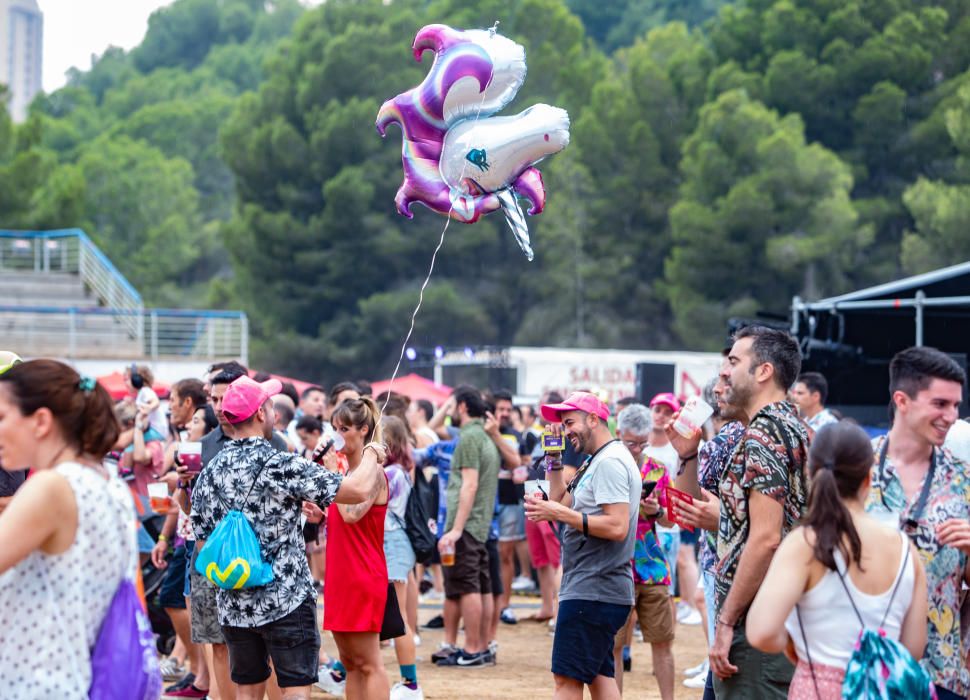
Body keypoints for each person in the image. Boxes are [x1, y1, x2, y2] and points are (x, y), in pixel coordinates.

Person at [191, 376, 388, 700]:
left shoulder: (210, 470)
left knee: (247, 691)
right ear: (259, 415)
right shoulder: (280, 464)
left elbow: (202, 542)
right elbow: (356, 491)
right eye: (269, 406)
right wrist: (371, 455)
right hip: (286, 597)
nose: (274, 413)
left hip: (234, 600)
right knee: (295, 688)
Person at [669, 325, 810, 699]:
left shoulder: (765, 435)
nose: (724, 372)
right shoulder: (789, 428)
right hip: (775, 617)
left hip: (756, 624)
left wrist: (727, 621)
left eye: (733, 361)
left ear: (764, 371)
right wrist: (687, 455)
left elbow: (765, 539)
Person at [747, 422, 928, 699]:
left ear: (810, 473)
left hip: (818, 688)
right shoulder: (906, 549)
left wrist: (795, 646)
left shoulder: (805, 543)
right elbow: (914, 647)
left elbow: (762, 632)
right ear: (868, 479)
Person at [0, 359, 140, 696]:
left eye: (2, 417)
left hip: (36, 684)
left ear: (41, 421)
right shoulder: (107, 482)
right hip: (75, 679)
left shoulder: (52, 487)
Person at [867, 346, 970, 700]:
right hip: (861, 668)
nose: (952, 416)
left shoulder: (964, 481)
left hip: (941, 673)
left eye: (956, 406)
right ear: (902, 400)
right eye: (940, 404)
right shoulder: (853, 470)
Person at [525, 391, 639, 700]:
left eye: (570, 422)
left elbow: (617, 526)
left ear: (594, 419)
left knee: (566, 680)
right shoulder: (598, 460)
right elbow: (562, 499)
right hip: (597, 589)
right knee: (600, 678)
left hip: (594, 590)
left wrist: (557, 512)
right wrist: (553, 459)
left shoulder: (610, 463)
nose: (565, 430)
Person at [674, 373, 747, 693]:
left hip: (725, 556)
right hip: (726, 552)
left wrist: (691, 454)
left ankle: (712, 663)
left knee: (725, 643)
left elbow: (688, 506)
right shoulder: (739, 435)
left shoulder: (721, 441)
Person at [322, 397, 392, 700]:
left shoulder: (371, 473)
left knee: (369, 663)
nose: (338, 435)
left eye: (345, 428)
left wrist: (331, 476)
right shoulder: (349, 475)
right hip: (340, 575)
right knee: (350, 663)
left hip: (362, 574)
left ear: (364, 430)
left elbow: (352, 513)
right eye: (335, 427)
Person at [613, 403, 675, 700]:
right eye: (630, 443)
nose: (637, 449)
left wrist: (657, 509)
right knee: (613, 645)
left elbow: (670, 519)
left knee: (662, 641)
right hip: (615, 565)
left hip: (651, 565)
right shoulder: (608, 465)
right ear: (617, 434)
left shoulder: (658, 469)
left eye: (642, 443)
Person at [435, 386, 501, 668]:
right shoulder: (484, 437)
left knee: (468, 586)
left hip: (468, 525)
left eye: (450, 404)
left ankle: (473, 648)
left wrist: (456, 529)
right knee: (482, 587)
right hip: (481, 524)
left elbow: (469, 484)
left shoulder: (470, 438)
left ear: (462, 406)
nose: (448, 410)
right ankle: (481, 646)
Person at [381, 415, 425, 700]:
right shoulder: (399, 471)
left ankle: (410, 684)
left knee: (398, 620)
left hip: (392, 544)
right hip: (396, 544)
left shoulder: (391, 473)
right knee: (392, 618)